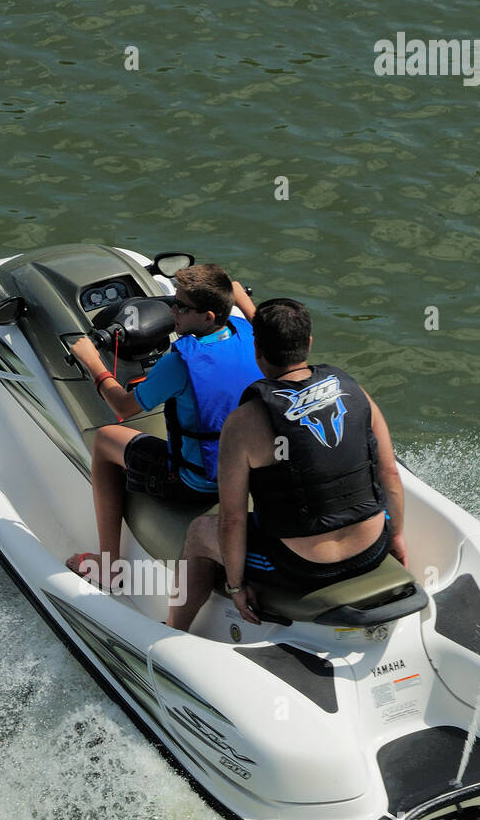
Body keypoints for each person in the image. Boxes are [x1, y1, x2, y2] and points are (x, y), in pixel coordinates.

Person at [167, 297, 408, 632]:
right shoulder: (354, 391)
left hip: (302, 568)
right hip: (372, 548)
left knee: (198, 532)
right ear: (308, 343)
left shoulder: (243, 422)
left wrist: (236, 587)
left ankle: (171, 631)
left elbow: (232, 519)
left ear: (257, 351)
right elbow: (390, 473)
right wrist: (395, 536)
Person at [66, 263, 260, 585]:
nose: (172, 311)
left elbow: (123, 406)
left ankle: (108, 566)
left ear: (209, 317)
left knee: (105, 439)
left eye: (181, 307)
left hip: (195, 484)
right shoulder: (251, 334)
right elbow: (257, 317)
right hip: (243, 473)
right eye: (173, 300)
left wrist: (92, 361)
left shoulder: (180, 362)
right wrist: (237, 296)